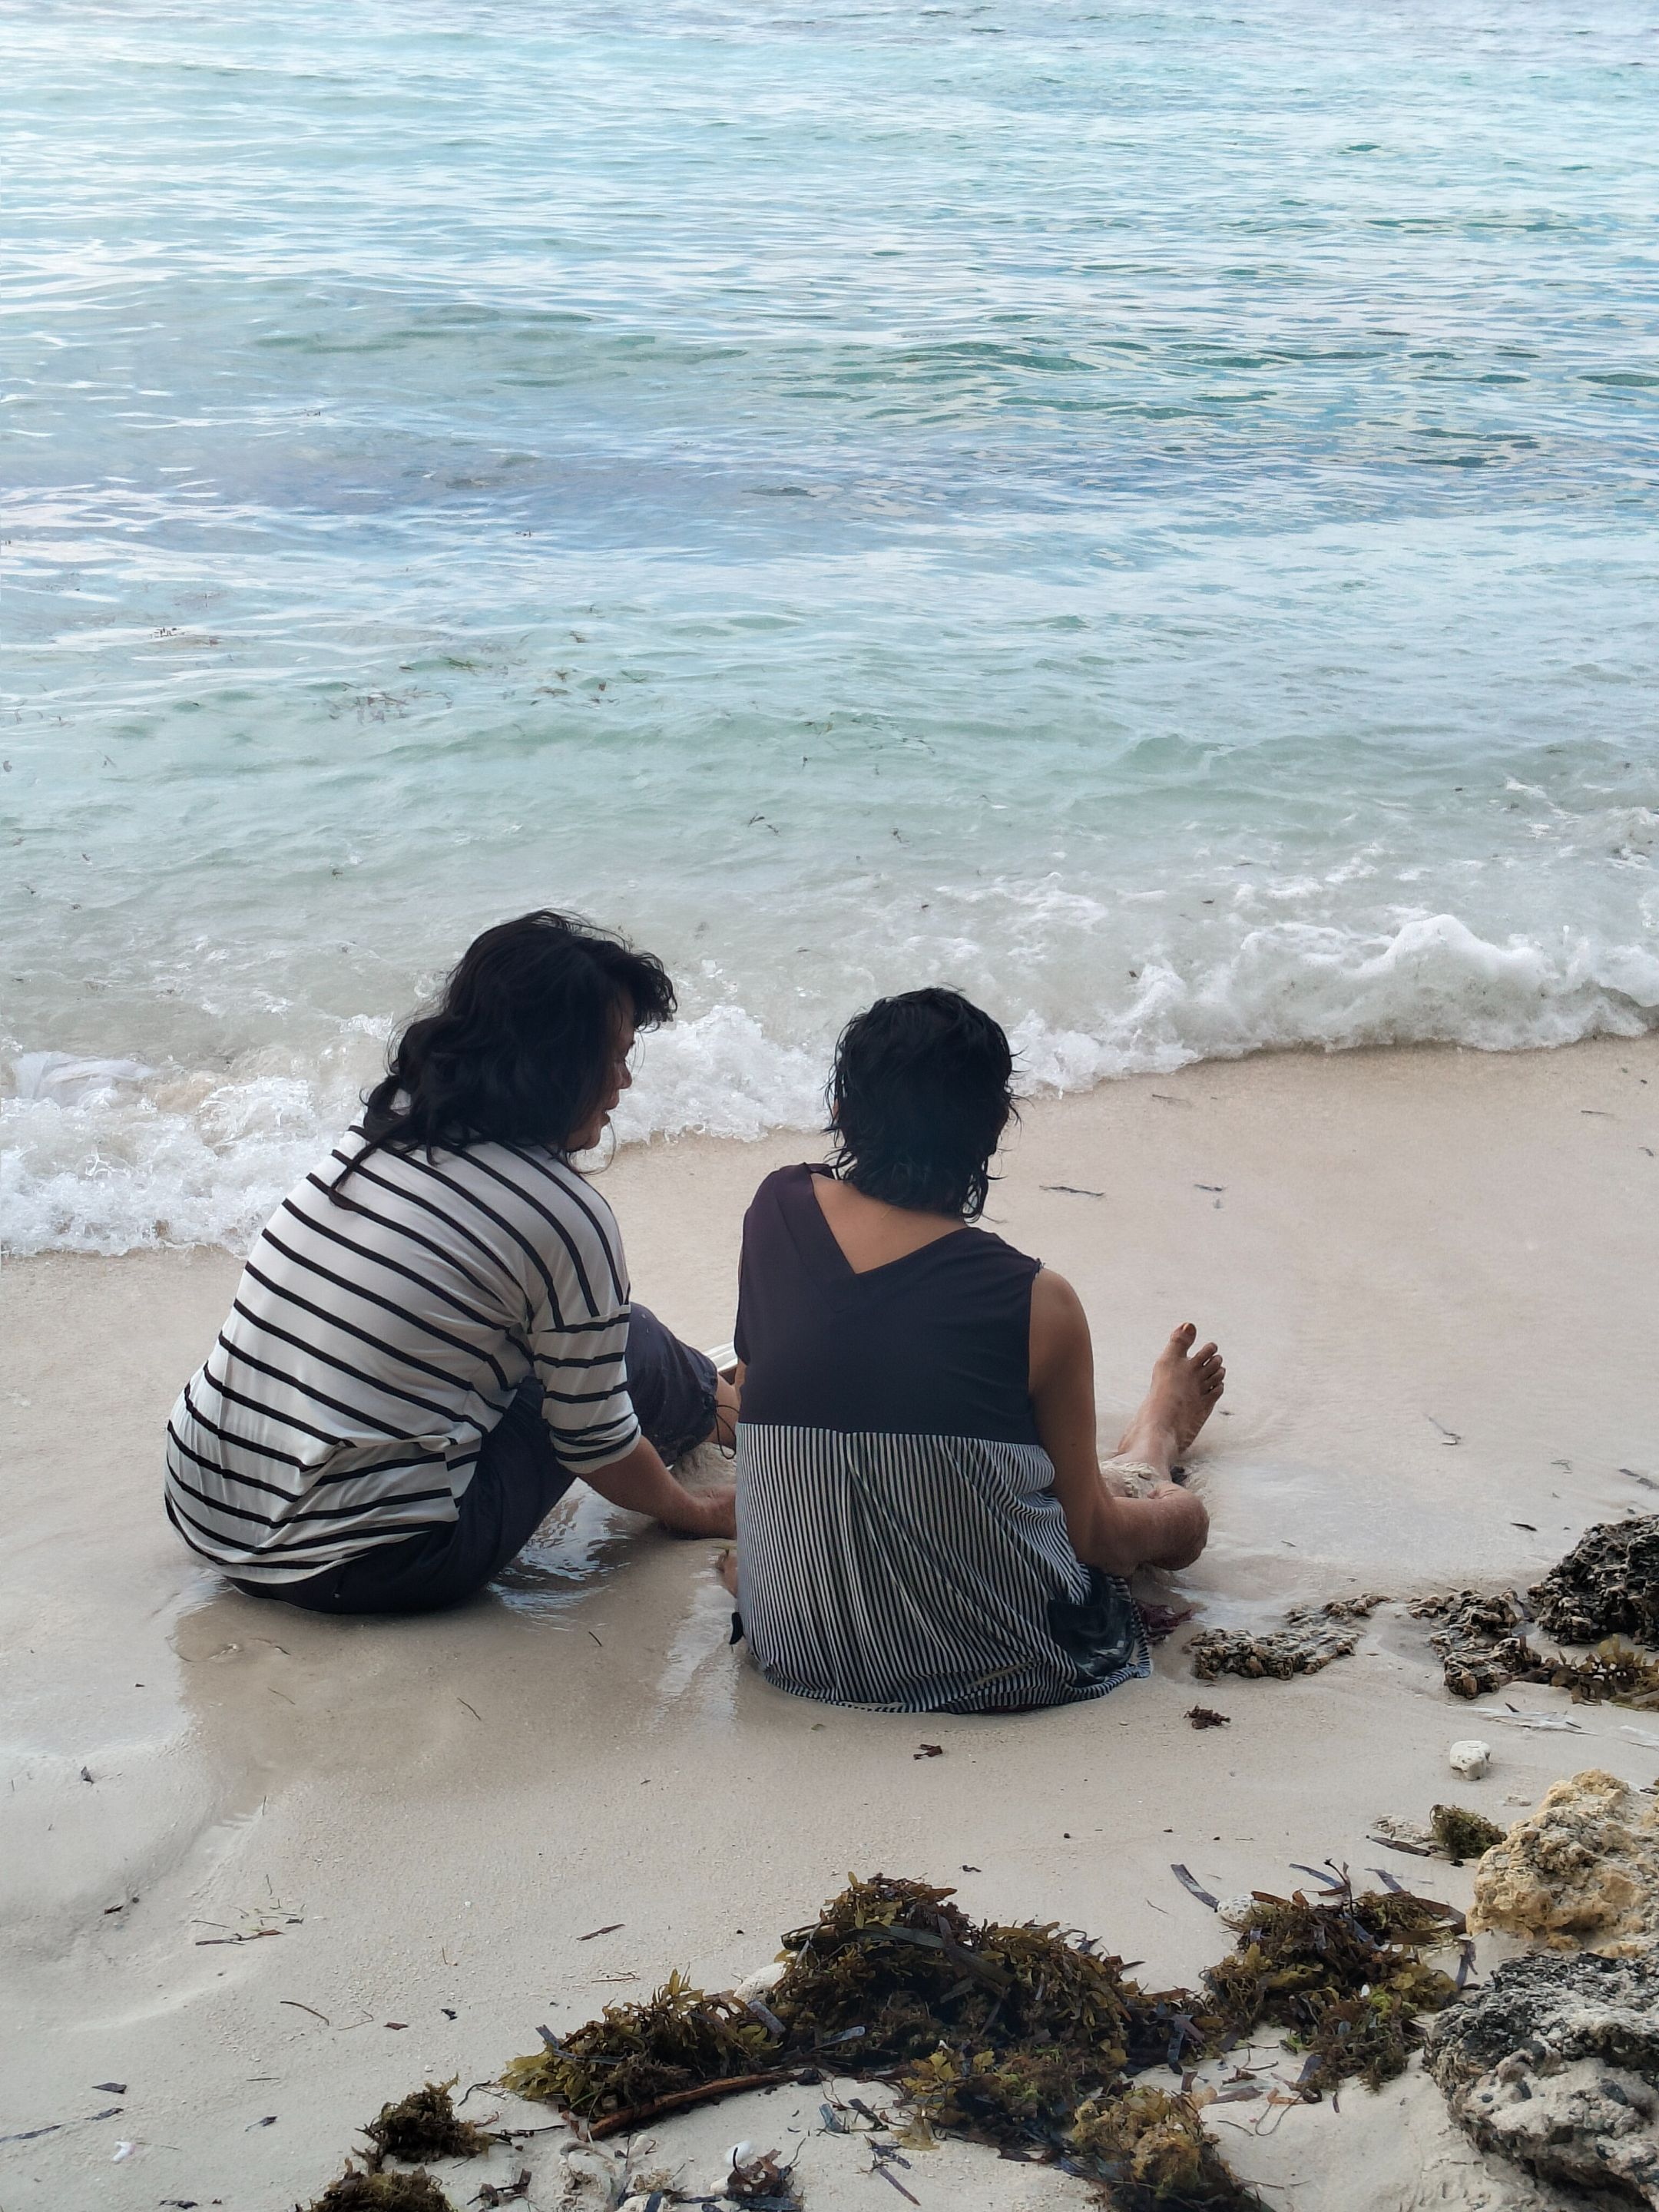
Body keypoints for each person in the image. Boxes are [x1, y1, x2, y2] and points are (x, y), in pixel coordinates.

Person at [164, 911, 736, 1614]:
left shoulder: (386, 1128)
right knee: (629, 1347)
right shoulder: (562, 1213)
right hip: (365, 1564)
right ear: (556, 1064)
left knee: (574, 1333)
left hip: (204, 1505)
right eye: (612, 1057)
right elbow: (593, 1441)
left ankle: (722, 1398)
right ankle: (744, 1414)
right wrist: (695, 1515)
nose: (623, 1082)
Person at [725, 987, 1224, 1713]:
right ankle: (1154, 1442)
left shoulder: (776, 1210)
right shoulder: (1036, 1300)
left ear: (841, 1113)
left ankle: (1148, 1441)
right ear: (992, 1131)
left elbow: (755, 1389)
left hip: (797, 1649)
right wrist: (1187, 1524)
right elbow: (1094, 1538)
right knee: (1122, 1498)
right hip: (994, 1662)